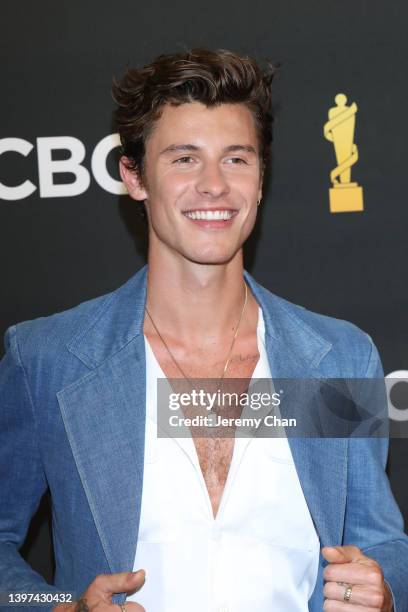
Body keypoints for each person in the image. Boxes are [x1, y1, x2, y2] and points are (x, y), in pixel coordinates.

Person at [0, 48, 407, 612]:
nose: (214, 185)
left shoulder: (336, 356)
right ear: (134, 177)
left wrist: (384, 590)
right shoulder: (48, 359)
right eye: (184, 159)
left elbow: (381, 540)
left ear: (261, 179)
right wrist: (50, 607)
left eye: (237, 159)